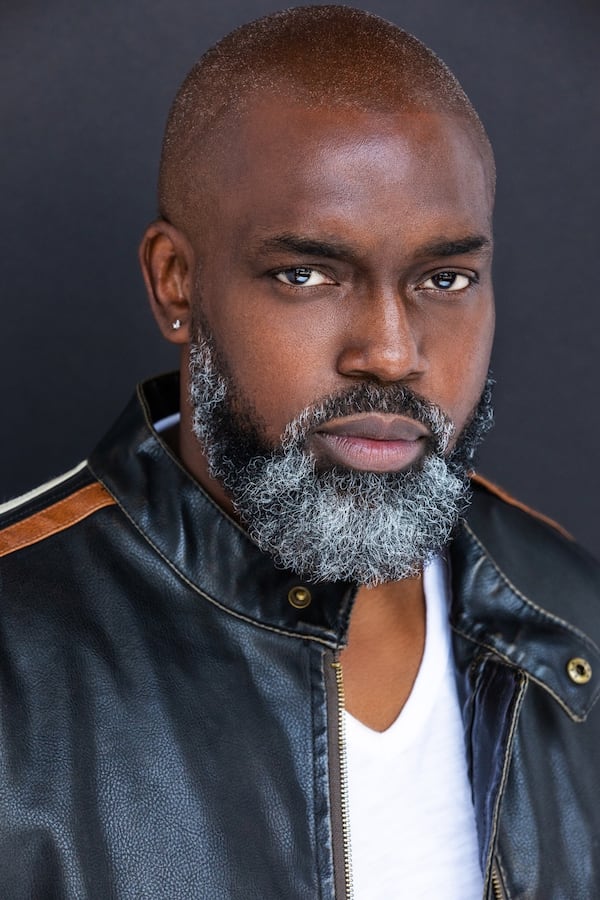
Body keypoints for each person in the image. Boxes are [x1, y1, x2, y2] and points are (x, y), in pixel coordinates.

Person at [0, 5, 599, 898]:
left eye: (445, 279)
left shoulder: (571, 615)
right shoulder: (18, 660)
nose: (390, 352)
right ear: (176, 283)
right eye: (307, 274)